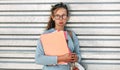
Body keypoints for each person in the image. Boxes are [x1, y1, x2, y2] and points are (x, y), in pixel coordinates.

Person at [35, 2, 81, 70]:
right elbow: (38, 59)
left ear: (67, 17)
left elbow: (78, 55)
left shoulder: (71, 35)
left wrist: (76, 58)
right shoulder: (46, 35)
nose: (60, 18)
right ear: (53, 17)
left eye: (63, 15)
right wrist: (61, 58)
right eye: (57, 16)